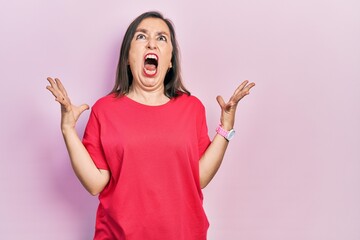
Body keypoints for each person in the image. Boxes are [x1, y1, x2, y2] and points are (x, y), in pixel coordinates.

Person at [46, 11, 255, 240]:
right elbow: (96, 183)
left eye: (161, 38)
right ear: (127, 56)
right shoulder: (104, 110)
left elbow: (199, 177)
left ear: (170, 60)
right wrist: (67, 129)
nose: (152, 43)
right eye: (142, 37)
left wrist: (225, 129)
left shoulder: (192, 108)